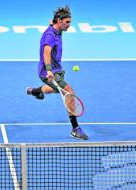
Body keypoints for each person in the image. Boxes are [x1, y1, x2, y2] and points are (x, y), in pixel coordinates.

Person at [27, 5, 88, 140]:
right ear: (60, 21)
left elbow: (52, 23)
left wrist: (53, 21)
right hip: (49, 72)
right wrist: (49, 71)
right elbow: (46, 53)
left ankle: (36, 91)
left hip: (58, 70)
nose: (70, 25)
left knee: (56, 90)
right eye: (67, 22)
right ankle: (75, 129)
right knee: (69, 93)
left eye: (70, 22)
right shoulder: (49, 35)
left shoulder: (57, 28)